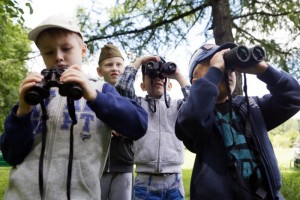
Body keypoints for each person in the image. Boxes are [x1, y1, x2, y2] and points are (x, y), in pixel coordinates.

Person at [0, 15, 148, 200]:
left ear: (83, 50)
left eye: (66, 49)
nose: (58, 57)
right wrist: (22, 112)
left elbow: (138, 125)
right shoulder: (34, 93)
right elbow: (11, 154)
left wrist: (93, 96)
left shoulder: (100, 89)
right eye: (48, 52)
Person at [175, 42, 300, 200]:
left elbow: (294, 97)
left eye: (228, 66)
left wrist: (263, 70)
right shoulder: (193, 113)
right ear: (195, 82)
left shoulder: (252, 107)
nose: (225, 70)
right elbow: (192, 117)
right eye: (214, 64)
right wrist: (215, 71)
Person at [115, 55, 190, 200]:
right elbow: (122, 89)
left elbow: (196, 103)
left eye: (162, 77)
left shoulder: (178, 106)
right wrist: (139, 62)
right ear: (142, 86)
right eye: (151, 76)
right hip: (145, 182)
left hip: (174, 180)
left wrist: (178, 75)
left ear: (169, 84)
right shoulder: (138, 105)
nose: (157, 79)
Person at [97, 43, 134, 200]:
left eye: (119, 64)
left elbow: (139, 127)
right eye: (109, 64)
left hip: (123, 165)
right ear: (99, 71)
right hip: (97, 166)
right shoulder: (92, 95)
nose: (115, 68)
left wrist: (123, 130)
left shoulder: (131, 97)